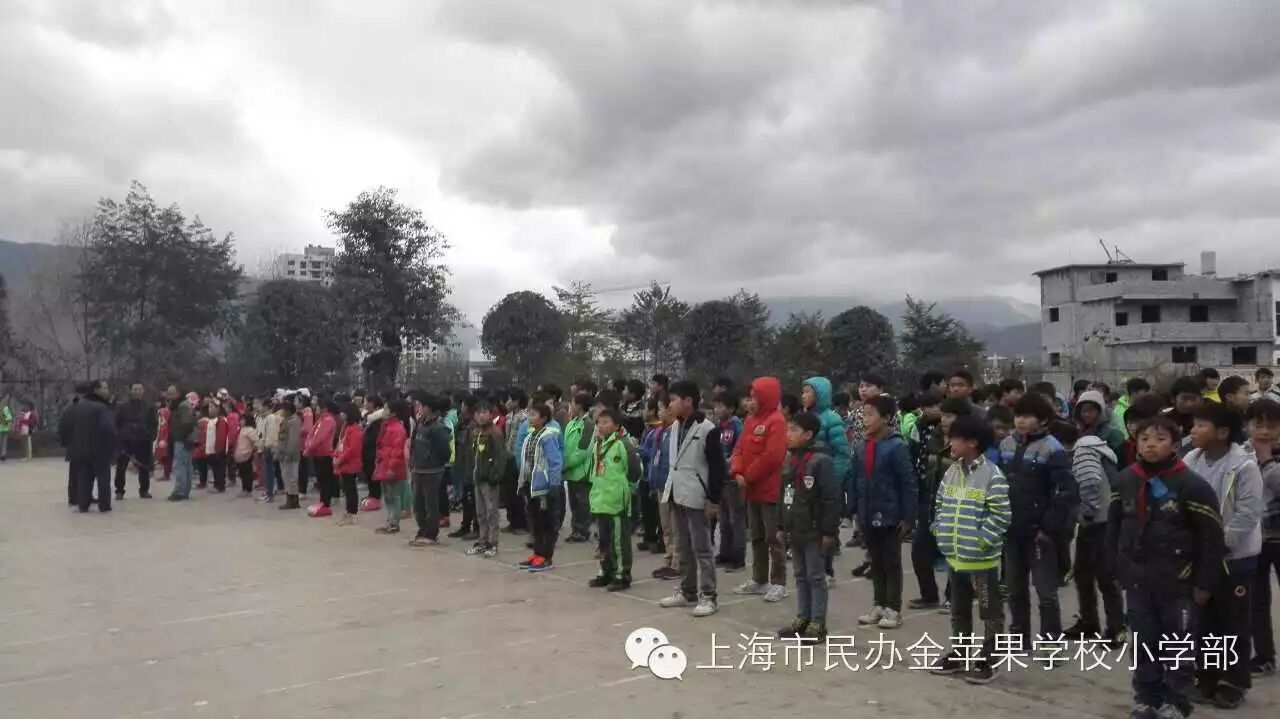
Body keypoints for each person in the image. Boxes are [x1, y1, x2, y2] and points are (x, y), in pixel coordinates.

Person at [1108, 416, 1226, 719]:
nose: (1151, 445)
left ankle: (1177, 702)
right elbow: (1114, 528)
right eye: (1145, 438)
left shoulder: (1192, 485)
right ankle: (1147, 698)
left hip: (1179, 582)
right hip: (1138, 580)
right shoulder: (1125, 480)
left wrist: (1204, 583)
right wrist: (1116, 568)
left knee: (1178, 644)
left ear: (1175, 445)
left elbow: (1211, 538)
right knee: (1143, 641)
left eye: (1160, 439)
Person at [1184, 403, 1264, 709]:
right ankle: (1207, 677)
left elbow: (1249, 513)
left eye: (1200, 425)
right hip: (1200, 556)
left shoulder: (1244, 467)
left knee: (1232, 622)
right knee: (1203, 622)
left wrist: (1218, 544)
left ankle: (1234, 683)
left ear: (1222, 432)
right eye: (1193, 424)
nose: (1193, 430)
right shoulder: (1191, 460)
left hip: (1235, 558)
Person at [929, 415, 1010, 685]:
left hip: (981, 561)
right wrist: (940, 530)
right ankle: (960, 653)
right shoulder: (952, 471)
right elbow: (940, 504)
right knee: (959, 609)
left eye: (954, 438)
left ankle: (989, 659)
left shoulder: (992, 475)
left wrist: (979, 542)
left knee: (990, 612)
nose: (949, 443)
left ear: (972, 442)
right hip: (956, 558)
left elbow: (1001, 516)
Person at [998, 392, 1075, 649]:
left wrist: (1048, 528)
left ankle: (1051, 643)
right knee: (1015, 589)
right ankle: (1019, 637)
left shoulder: (1052, 449)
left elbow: (1063, 493)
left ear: (1042, 420)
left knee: (1046, 592)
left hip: (1040, 533)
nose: (1021, 421)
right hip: (1012, 529)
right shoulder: (1006, 445)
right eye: (1018, 415)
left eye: (1028, 416)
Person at [658, 380, 726, 617]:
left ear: (688, 401)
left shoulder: (707, 429)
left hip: (697, 494)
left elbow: (718, 467)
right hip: (677, 492)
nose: (670, 404)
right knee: (683, 546)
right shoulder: (676, 426)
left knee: (702, 547)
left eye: (674, 400)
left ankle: (708, 595)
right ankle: (687, 591)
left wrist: (713, 499)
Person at [853, 394, 917, 629]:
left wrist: (908, 517)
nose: (866, 419)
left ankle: (893, 608)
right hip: (868, 512)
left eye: (871, 415)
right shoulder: (861, 446)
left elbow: (908, 484)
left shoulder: (897, 446)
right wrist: (855, 510)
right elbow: (857, 480)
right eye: (864, 414)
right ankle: (878, 604)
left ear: (887, 418)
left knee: (891, 562)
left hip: (890, 515)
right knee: (876, 562)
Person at [775, 412, 840, 643]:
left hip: (814, 530)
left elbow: (831, 498)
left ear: (809, 434)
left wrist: (828, 531)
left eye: (793, 430)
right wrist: (781, 524)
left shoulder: (821, 461)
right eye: (788, 429)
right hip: (795, 528)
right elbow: (784, 494)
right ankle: (803, 616)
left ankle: (817, 623)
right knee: (800, 575)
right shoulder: (790, 459)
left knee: (815, 576)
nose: (788, 434)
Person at [1065, 400, 1125, 646]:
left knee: (1105, 577)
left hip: (1100, 521)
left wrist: (1087, 512)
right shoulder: (1091, 442)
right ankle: (1089, 623)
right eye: (1083, 410)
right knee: (1083, 574)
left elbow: (1090, 481)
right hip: (1099, 519)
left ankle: (1116, 629)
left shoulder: (1085, 448)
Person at [731, 377, 789, 603]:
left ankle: (779, 582)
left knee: (773, 537)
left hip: (769, 490)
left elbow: (772, 457)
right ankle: (759, 578)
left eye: (754, 397)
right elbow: (739, 448)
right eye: (749, 397)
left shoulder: (776, 422)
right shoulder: (749, 420)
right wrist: (737, 471)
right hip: (750, 489)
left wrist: (748, 475)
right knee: (756, 536)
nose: (750, 402)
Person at [908, 396, 968, 610]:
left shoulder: (968, 443)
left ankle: (954, 596)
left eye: (950, 416)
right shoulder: (932, 438)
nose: (944, 420)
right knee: (919, 550)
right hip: (931, 501)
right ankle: (929, 595)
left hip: (958, 505)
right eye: (943, 415)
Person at [801, 377, 852, 585]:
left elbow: (842, 454)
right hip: (806, 481)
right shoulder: (804, 418)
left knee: (826, 527)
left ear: (820, 395)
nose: (804, 396)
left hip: (825, 482)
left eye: (808, 392)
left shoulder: (832, 420)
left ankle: (827, 570)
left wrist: (833, 480)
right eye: (803, 392)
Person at [1248, 399, 1280, 677]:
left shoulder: (1272, 456)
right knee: (1256, 601)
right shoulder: (1241, 455)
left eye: (1272, 425)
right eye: (1258, 424)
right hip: (1255, 539)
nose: (1265, 431)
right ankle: (1263, 656)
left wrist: (1267, 460)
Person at [587, 409, 635, 591]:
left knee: (619, 542)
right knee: (603, 540)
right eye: (599, 422)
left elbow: (634, 471)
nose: (601, 426)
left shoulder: (623, 444)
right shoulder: (597, 444)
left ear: (616, 425)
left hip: (616, 501)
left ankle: (622, 574)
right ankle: (606, 571)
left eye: (606, 422)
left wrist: (624, 490)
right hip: (600, 499)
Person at [59, 380, 118, 513]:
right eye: (105, 388)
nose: (107, 390)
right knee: (103, 479)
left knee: (84, 478)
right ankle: (104, 505)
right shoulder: (103, 408)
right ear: (96, 390)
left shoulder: (77, 407)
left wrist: (69, 443)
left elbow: (64, 427)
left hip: (80, 449)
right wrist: (113, 446)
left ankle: (83, 504)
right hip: (100, 450)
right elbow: (109, 428)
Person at [519, 403, 562, 571]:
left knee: (546, 523)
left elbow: (555, 462)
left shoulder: (548, 437)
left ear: (544, 418)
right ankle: (537, 553)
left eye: (534, 415)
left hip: (545, 486)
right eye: (529, 414)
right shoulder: (530, 436)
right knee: (535, 521)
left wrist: (554, 484)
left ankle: (546, 557)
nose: (530, 418)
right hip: (531, 485)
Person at [408, 392, 452, 547]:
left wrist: (435, 462)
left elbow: (445, 451)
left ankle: (431, 534)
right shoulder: (420, 424)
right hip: (418, 469)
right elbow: (413, 444)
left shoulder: (438, 428)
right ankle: (422, 530)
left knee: (431, 504)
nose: (419, 408)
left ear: (430, 408)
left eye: (422, 405)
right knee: (417, 504)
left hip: (432, 471)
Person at [467, 400, 507, 557]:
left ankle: (493, 543)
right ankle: (482, 541)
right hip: (478, 478)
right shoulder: (475, 432)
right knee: (481, 513)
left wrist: (495, 475)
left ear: (491, 414)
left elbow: (500, 456)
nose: (481, 416)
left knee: (492, 513)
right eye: (478, 413)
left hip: (489, 480)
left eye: (485, 412)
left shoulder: (495, 433)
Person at [712, 391, 745, 572]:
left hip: (732, 477)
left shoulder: (736, 426)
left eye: (720, 406)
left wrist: (727, 464)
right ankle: (724, 552)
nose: (716, 410)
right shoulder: (718, 427)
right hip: (720, 478)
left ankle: (738, 556)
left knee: (735, 519)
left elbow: (739, 450)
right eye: (715, 406)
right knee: (723, 519)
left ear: (731, 409)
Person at [648, 397, 680, 581]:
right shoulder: (660, 431)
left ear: (669, 410)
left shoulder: (676, 430)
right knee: (666, 526)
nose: (658, 412)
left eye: (661, 408)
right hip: (660, 483)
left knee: (675, 527)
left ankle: (677, 562)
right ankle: (668, 559)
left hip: (672, 484)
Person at [112, 383, 157, 499]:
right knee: (121, 467)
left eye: (139, 389)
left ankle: (144, 490)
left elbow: (154, 423)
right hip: (126, 441)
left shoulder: (149, 406)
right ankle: (119, 491)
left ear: (143, 391)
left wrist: (151, 436)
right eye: (135, 389)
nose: (137, 392)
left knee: (144, 466)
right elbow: (117, 422)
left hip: (143, 440)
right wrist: (119, 436)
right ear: (131, 391)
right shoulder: (123, 406)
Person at [374, 400, 410, 534]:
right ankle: (390, 521)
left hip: (392, 466)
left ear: (393, 412)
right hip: (384, 463)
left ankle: (394, 523)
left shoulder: (397, 429)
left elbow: (397, 451)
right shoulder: (386, 426)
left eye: (386, 409)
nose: (383, 411)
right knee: (388, 496)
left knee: (394, 496)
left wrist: (391, 468)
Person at [635, 399, 663, 553]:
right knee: (645, 510)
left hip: (652, 474)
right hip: (644, 474)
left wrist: (638, 449)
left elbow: (653, 452)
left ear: (652, 411)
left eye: (646, 409)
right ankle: (648, 537)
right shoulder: (647, 429)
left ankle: (658, 540)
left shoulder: (658, 430)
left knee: (654, 511)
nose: (643, 412)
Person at [304, 400, 339, 517]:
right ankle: (322, 502)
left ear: (324, 408)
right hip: (318, 454)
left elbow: (319, 438)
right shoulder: (321, 420)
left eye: (317, 407)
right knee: (322, 480)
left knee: (325, 480)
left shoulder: (328, 420)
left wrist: (309, 449)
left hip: (325, 454)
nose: (315, 409)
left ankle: (325, 504)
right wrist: (308, 446)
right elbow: (311, 435)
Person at [333, 403, 364, 525]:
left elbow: (352, 449)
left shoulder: (355, 429)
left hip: (350, 463)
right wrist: (336, 456)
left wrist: (340, 459)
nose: (341, 414)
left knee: (351, 489)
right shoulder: (347, 427)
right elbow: (341, 444)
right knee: (347, 489)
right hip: (344, 462)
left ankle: (352, 513)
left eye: (343, 412)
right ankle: (348, 511)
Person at [1074, 389, 1126, 458]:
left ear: (1100, 411)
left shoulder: (1113, 434)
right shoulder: (1077, 432)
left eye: (1091, 410)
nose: (1087, 414)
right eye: (1084, 410)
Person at [166, 389, 198, 501]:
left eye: (172, 393)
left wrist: (179, 435)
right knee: (186, 466)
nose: (169, 396)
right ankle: (185, 491)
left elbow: (187, 423)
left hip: (182, 439)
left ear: (178, 394)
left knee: (179, 466)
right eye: (169, 393)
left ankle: (179, 491)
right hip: (186, 439)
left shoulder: (183, 406)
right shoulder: (180, 406)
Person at [360, 395, 387, 511]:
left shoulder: (378, 418)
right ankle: (371, 494)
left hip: (373, 451)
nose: (365, 404)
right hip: (365, 451)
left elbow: (375, 436)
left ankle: (376, 497)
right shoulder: (367, 417)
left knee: (373, 474)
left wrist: (364, 439)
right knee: (368, 473)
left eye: (367, 402)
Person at [1164, 377, 1203, 450]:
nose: (1189, 403)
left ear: (1200, 399)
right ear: (1173, 399)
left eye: (1193, 399)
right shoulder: (1164, 421)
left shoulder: (1206, 419)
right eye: (1184, 398)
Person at [276, 402, 303, 510]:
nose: (282, 412)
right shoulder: (286, 420)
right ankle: (290, 498)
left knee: (291, 477)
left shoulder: (294, 421)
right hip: (283, 453)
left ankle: (293, 500)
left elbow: (293, 440)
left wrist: (288, 453)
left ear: (288, 411)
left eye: (284, 410)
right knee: (286, 477)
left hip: (290, 455)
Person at [232, 412, 261, 498]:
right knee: (242, 473)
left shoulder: (250, 430)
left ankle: (248, 489)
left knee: (247, 473)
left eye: (243, 420)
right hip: (239, 454)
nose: (241, 421)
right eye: (240, 420)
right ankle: (244, 488)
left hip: (247, 454)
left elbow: (256, 441)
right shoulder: (241, 429)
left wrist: (253, 450)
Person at [0, 397, 11, 461]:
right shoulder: (5, 408)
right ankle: (3, 454)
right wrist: (9, 426)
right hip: (5, 427)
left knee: (1, 442)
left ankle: (2, 454)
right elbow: (9, 418)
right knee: (4, 442)